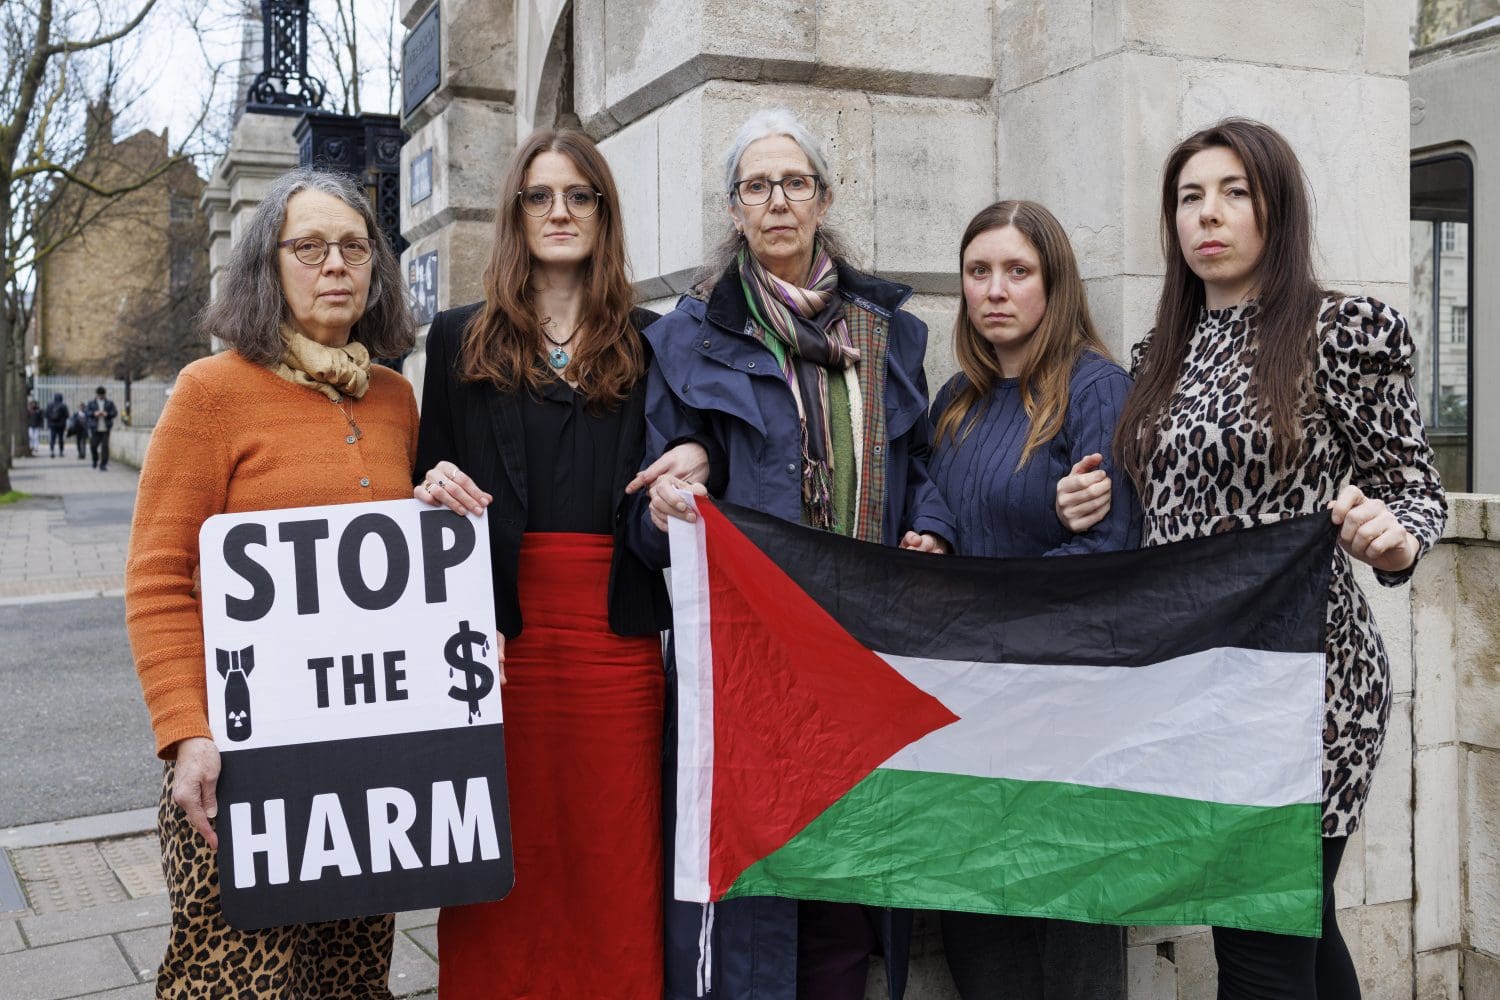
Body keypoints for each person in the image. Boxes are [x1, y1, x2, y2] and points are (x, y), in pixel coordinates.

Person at [1055, 118, 1447, 1000]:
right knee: (1293, 931)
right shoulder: (1164, 351)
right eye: (1190, 197)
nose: (1209, 214)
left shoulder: (1345, 331)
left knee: (1259, 948)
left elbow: (1415, 485)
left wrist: (1396, 536)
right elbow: (1172, 502)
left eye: (1234, 192)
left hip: (1308, 685)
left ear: (1277, 208)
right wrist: (1098, 498)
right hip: (1197, 685)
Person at [633, 107, 957, 1000]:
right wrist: (666, 503)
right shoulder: (683, 337)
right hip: (749, 673)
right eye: (756, 186)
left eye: (795, 183)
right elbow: (643, 514)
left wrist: (931, 528)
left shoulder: (890, 334)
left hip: (860, 657)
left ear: (823, 198)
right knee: (756, 889)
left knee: (844, 894)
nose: (777, 201)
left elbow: (917, 460)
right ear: (734, 208)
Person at [124, 167, 415, 997]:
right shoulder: (209, 394)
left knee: (353, 978)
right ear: (267, 266)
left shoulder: (394, 399)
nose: (335, 265)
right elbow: (157, 578)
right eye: (310, 246)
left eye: (354, 247)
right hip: (240, 764)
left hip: (367, 767)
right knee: (233, 981)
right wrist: (187, 733)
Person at [412, 127, 689, 999]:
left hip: (614, 633)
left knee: (613, 844)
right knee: (503, 843)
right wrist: (430, 482)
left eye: (580, 196)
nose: (560, 211)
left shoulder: (655, 342)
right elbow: (422, 475)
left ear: (603, 215)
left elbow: (683, 459)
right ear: (517, 214)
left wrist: (697, 466)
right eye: (541, 196)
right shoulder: (457, 340)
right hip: (497, 636)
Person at [926, 200, 1137, 1000]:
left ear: (1055, 284)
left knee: (1065, 941)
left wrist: (998, 610)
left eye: (1018, 272)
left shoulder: (1095, 389)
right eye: (978, 272)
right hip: (967, 713)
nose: (995, 291)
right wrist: (932, 535)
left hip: (1061, 712)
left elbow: (1109, 554)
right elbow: (935, 501)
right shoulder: (957, 399)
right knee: (980, 934)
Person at [86, 385, 118, 470]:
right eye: (99, 395)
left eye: (102, 395)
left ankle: (103, 464)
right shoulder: (91, 403)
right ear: (96, 394)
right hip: (95, 429)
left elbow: (114, 413)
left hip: (105, 429)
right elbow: (87, 412)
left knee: (105, 447)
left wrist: (107, 414)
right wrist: (94, 413)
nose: (100, 396)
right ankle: (95, 460)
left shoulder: (109, 403)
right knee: (93, 446)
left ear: (104, 395)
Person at [45, 392, 69, 457]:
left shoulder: (49, 405)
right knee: (61, 439)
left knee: (52, 438)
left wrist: (51, 419)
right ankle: (61, 451)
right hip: (61, 425)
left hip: (52, 425)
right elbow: (67, 415)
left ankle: (52, 451)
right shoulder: (63, 405)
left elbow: (46, 414)